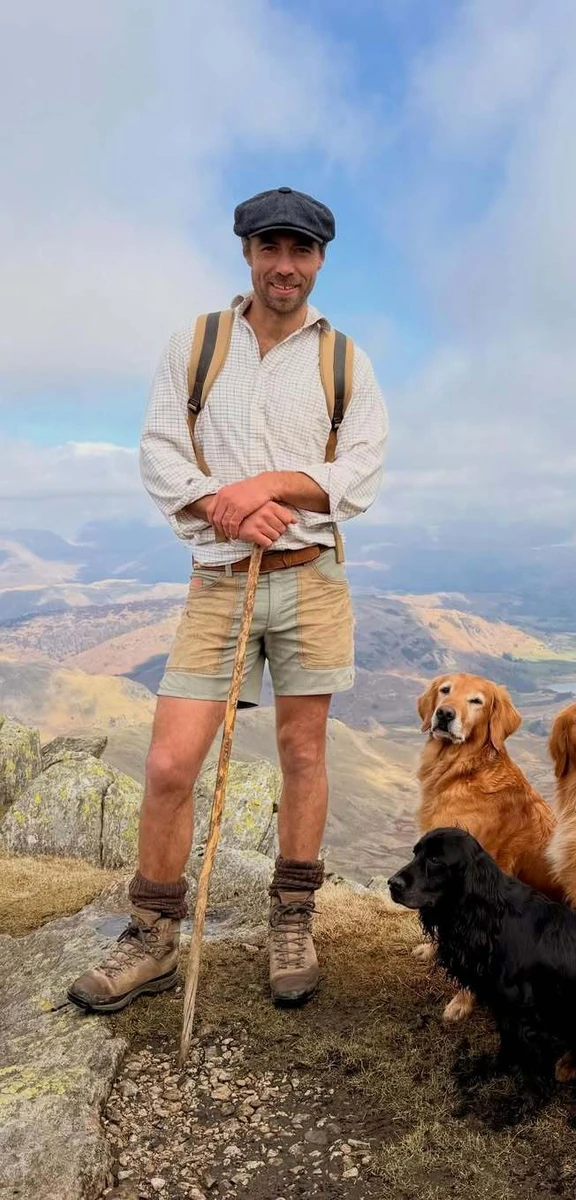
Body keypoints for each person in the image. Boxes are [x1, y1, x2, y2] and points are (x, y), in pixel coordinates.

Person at [68, 187, 388, 1012]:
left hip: (309, 578)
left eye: (302, 251)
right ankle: (152, 937)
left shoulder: (344, 359)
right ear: (246, 252)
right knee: (173, 760)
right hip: (220, 581)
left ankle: (293, 918)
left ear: (320, 260)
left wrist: (267, 487)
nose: (285, 266)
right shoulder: (199, 344)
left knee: (305, 755)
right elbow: (160, 450)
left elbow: (361, 472)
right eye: (270, 248)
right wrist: (221, 506)